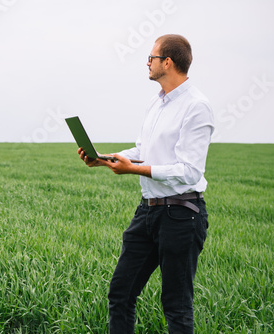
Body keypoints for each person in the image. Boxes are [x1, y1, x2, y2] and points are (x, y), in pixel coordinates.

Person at [78, 34, 214, 333]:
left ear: (167, 62)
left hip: (182, 215)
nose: (147, 63)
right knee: (120, 293)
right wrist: (104, 158)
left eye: (151, 58)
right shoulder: (157, 103)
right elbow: (142, 150)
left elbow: (189, 171)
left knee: (176, 305)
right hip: (148, 212)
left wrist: (135, 171)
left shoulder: (196, 106)